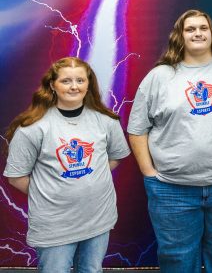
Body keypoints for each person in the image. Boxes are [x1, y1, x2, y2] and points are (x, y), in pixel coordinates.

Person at [127, 9, 212, 273]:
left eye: (203, 28)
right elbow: (137, 129)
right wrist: (149, 173)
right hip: (170, 189)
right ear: (180, 36)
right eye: (190, 29)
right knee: (177, 259)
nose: (198, 33)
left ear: (211, 34)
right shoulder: (159, 77)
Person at [4, 57, 130, 272]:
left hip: (98, 218)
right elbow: (16, 176)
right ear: (52, 85)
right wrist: (51, 190)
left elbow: (115, 157)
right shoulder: (32, 128)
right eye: (66, 81)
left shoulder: (107, 120)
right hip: (55, 224)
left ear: (88, 83)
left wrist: (88, 177)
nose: (74, 87)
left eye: (80, 80)